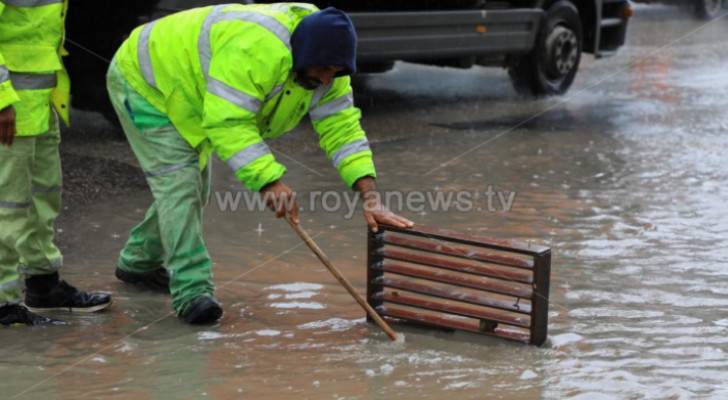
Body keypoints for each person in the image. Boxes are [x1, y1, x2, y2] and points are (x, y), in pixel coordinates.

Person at [107, 3, 413, 324]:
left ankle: (138, 262)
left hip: (195, 91)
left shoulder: (328, 67)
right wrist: (270, 181)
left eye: (335, 72)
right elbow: (230, 123)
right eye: (323, 70)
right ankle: (192, 293)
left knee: (193, 189)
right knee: (181, 186)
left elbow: (343, 130)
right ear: (305, 54)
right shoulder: (255, 50)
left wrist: (371, 198)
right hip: (146, 82)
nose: (326, 79)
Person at [0, 0, 112, 326]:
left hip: (37, 103)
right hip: (10, 107)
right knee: (7, 206)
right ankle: (4, 306)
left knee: (42, 196)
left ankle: (43, 285)